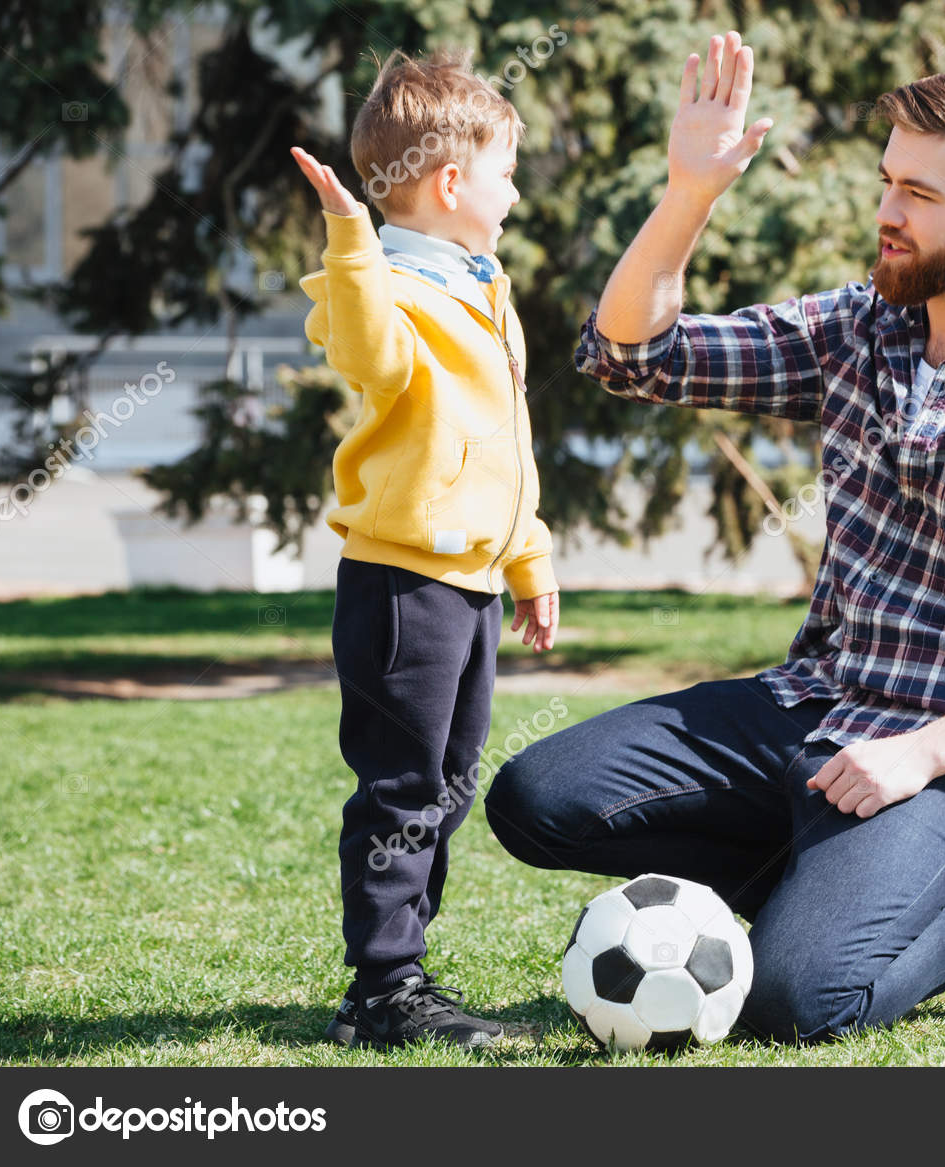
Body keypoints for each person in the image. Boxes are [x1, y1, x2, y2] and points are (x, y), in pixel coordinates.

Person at [486, 32, 945, 1043]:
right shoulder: (861, 328)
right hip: (810, 709)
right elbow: (633, 354)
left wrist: (920, 756)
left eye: (921, 195)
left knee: (798, 1002)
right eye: (887, 182)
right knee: (536, 799)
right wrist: (690, 190)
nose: (886, 213)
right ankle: (821, 885)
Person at [291, 49, 560, 1050]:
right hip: (406, 584)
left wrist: (526, 558)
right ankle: (383, 989)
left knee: (444, 787)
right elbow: (370, 356)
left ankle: (403, 970)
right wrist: (351, 245)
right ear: (451, 185)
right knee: (404, 789)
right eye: (506, 171)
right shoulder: (386, 287)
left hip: (470, 581)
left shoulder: (482, 288)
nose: (516, 189)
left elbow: (504, 451)